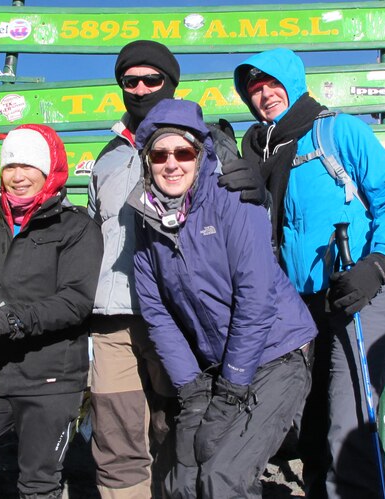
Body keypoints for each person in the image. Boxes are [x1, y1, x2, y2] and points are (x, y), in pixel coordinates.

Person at [231, 48, 385, 498]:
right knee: (311, 427)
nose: (264, 95)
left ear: (293, 82)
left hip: (360, 291)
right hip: (301, 307)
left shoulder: (338, 131)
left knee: (349, 427)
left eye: (272, 84)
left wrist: (379, 262)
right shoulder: (258, 152)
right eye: (255, 89)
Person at [130, 98, 318, 498]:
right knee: (180, 480)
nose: (171, 164)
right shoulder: (145, 220)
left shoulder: (232, 199)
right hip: (215, 367)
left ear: (199, 155)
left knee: (222, 478)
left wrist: (231, 389)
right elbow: (157, 312)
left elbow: (256, 299)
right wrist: (192, 389)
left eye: (183, 152)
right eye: (160, 155)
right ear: (147, 161)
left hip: (277, 353)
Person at [0, 124, 103, 498]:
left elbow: (75, 301)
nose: (18, 176)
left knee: (37, 485)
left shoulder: (75, 227)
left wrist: (4, 321)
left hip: (50, 378)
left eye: (28, 166)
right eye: (10, 166)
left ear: (49, 170)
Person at [86, 40, 180, 498]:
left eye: (151, 80)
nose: (140, 89)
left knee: (178, 433)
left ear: (171, 84)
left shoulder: (197, 144)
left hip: (175, 317)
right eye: (130, 81)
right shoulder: (107, 156)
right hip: (111, 320)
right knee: (116, 440)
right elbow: (91, 233)